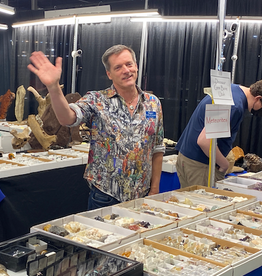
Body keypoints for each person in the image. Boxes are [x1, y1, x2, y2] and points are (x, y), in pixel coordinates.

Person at [28, 44, 165, 210]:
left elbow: (157, 148)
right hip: (106, 196)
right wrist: (53, 87)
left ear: (136, 66)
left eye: (129, 64)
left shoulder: (153, 103)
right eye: (118, 67)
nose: (126, 70)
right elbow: (68, 118)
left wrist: (155, 189)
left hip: (142, 195)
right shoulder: (96, 100)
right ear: (109, 74)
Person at [175, 77, 262, 188]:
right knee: (204, 202)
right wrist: (224, 164)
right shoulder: (234, 106)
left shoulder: (232, 89)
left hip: (188, 158)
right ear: (258, 98)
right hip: (201, 165)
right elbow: (205, 141)